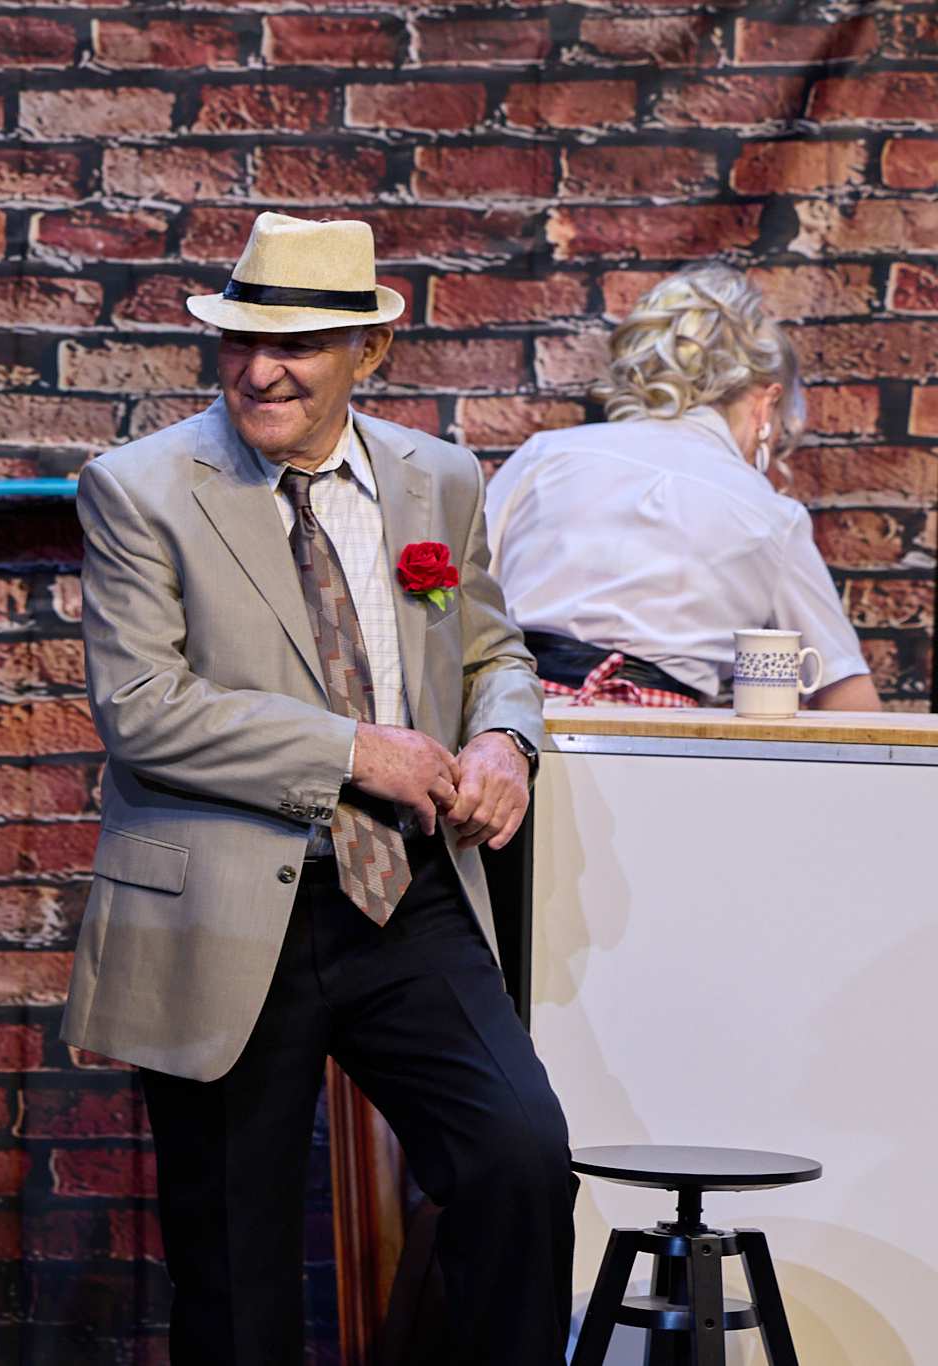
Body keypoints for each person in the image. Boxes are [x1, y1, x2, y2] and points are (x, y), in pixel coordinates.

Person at [61, 211, 574, 1363]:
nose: (258, 370)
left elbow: (489, 650)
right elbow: (141, 706)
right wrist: (353, 749)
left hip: (406, 899)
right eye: (239, 340)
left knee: (518, 1160)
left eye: (292, 345)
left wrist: (505, 741)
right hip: (227, 906)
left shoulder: (436, 479)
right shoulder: (139, 488)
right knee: (236, 1273)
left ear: (367, 351)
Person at [486, 263, 881, 710]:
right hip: (666, 742)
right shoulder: (772, 515)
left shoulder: (545, 455)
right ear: (767, 404)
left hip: (514, 724)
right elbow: (849, 699)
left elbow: (456, 599)